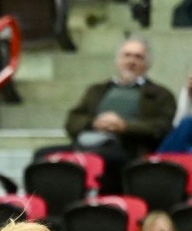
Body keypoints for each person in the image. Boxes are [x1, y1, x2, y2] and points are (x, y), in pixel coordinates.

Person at [63, 37, 175, 194]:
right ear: (118, 60)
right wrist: (94, 123)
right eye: (127, 55)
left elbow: (163, 127)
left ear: (147, 64)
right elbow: (72, 120)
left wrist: (124, 126)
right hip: (88, 142)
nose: (131, 61)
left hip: (129, 148)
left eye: (138, 57)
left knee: (96, 158)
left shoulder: (161, 95)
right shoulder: (97, 90)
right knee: (43, 155)